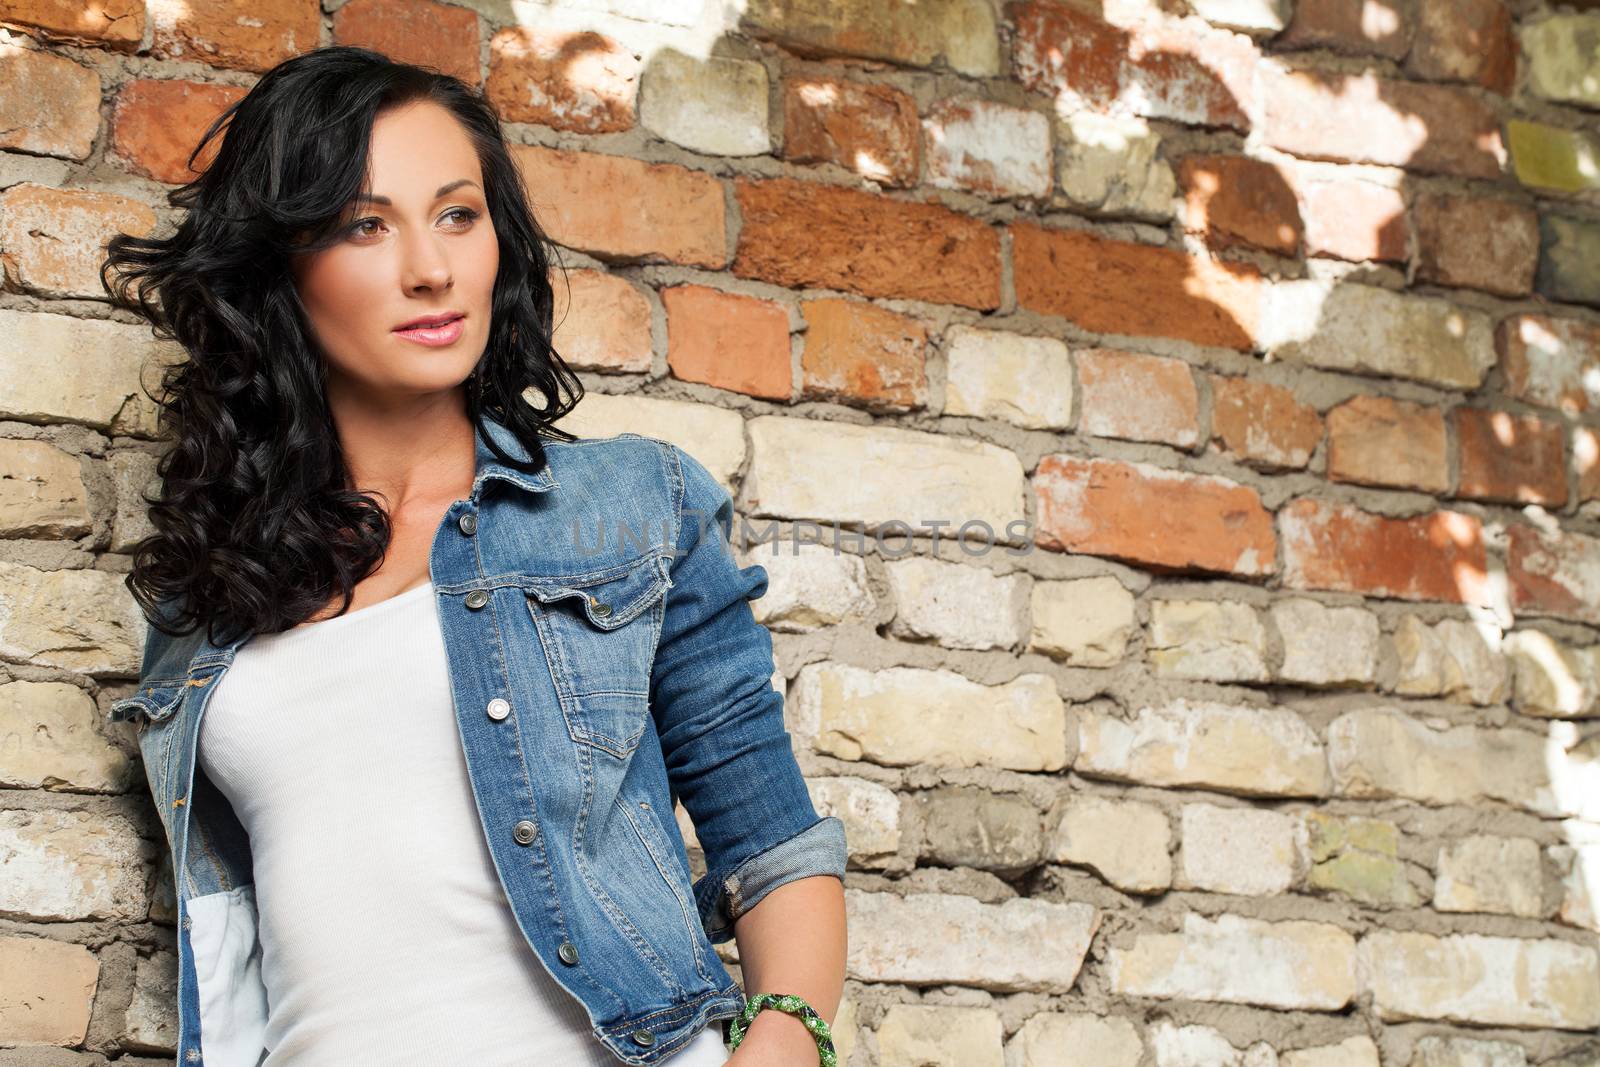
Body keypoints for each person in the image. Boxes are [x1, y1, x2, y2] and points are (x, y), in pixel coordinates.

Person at [101, 45, 848, 1067]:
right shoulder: (207, 594)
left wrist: (781, 1044)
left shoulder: (632, 507)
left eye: (458, 213)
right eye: (366, 223)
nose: (431, 268)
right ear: (281, 265)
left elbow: (774, 850)